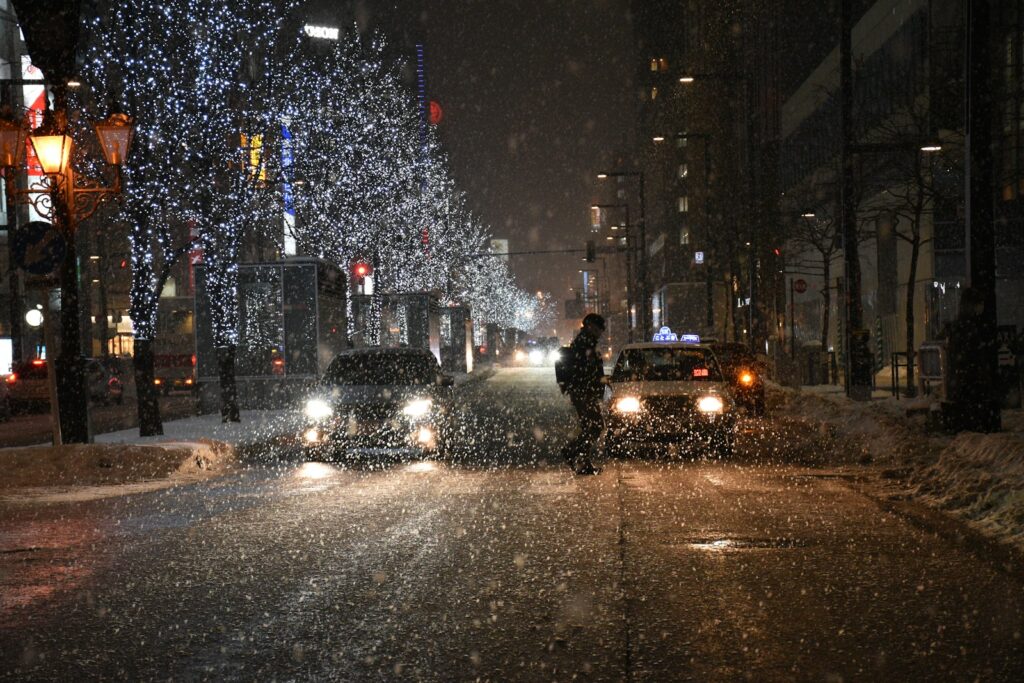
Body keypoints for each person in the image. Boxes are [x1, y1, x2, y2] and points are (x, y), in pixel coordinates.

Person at [561, 313, 607, 475]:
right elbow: (585, 371)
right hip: (584, 392)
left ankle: (583, 461)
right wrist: (596, 381)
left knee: (590, 426)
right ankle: (572, 451)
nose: (602, 332)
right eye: (600, 328)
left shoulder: (586, 342)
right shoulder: (584, 343)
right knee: (595, 426)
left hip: (584, 391)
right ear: (591, 327)